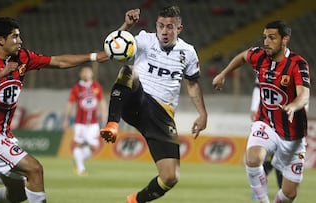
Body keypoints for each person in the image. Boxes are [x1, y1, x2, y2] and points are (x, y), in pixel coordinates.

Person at [0, 17, 107, 203]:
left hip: (5, 135)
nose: (20, 41)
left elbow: (58, 61)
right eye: (15, 37)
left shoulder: (23, 57)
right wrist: (1, 73)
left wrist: (94, 57)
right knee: (35, 169)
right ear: (0, 40)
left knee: (18, 193)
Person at [100, 6, 208, 203]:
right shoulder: (145, 39)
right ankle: (112, 124)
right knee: (128, 70)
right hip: (138, 100)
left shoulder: (188, 52)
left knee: (170, 177)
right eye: (160, 26)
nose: (164, 31)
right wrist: (127, 26)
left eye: (169, 27)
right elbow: (114, 48)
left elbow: (192, 84)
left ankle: (134, 200)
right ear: (156, 26)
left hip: (162, 113)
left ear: (179, 29)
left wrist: (202, 114)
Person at [213, 20, 310, 203]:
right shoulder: (259, 56)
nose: (266, 42)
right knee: (253, 158)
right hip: (266, 122)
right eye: (265, 37)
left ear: (284, 40)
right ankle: (263, 200)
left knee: (290, 194)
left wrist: (293, 106)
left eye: (272, 38)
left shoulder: (298, 64)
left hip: (293, 134)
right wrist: (223, 74)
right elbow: (242, 56)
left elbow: (304, 95)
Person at [63, 65, 107, 176]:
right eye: (84, 72)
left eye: (88, 72)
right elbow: (70, 103)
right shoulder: (77, 88)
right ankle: (80, 169)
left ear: (92, 74)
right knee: (78, 144)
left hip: (93, 123)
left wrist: (104, 115)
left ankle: (79, 160)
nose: (86, 74)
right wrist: (66, 119)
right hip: (80, 123)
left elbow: (102, 101)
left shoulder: (96, 86)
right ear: (80, 74)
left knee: (94, 146)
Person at [250, 78, 282, 201]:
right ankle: (260, 189)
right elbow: (258, 87)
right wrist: (254, 108)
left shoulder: (294, 66)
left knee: (279, 157)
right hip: (265, 119)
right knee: (263, 155)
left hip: (283, 119)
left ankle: (282, 189)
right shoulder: (263, 64)